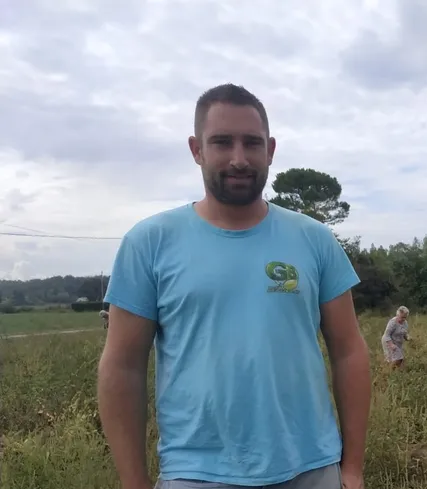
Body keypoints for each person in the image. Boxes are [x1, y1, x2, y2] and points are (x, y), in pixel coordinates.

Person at [97, 84, 371, 489]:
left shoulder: (314, 240)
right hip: (196, 474)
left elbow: (349, 351)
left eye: (252, 143)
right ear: (196, 149)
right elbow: (122, 366)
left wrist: (352, 468)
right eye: (222, 142)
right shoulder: (150, 243)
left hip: (311, 468)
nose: (239, 159)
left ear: (271, 149)